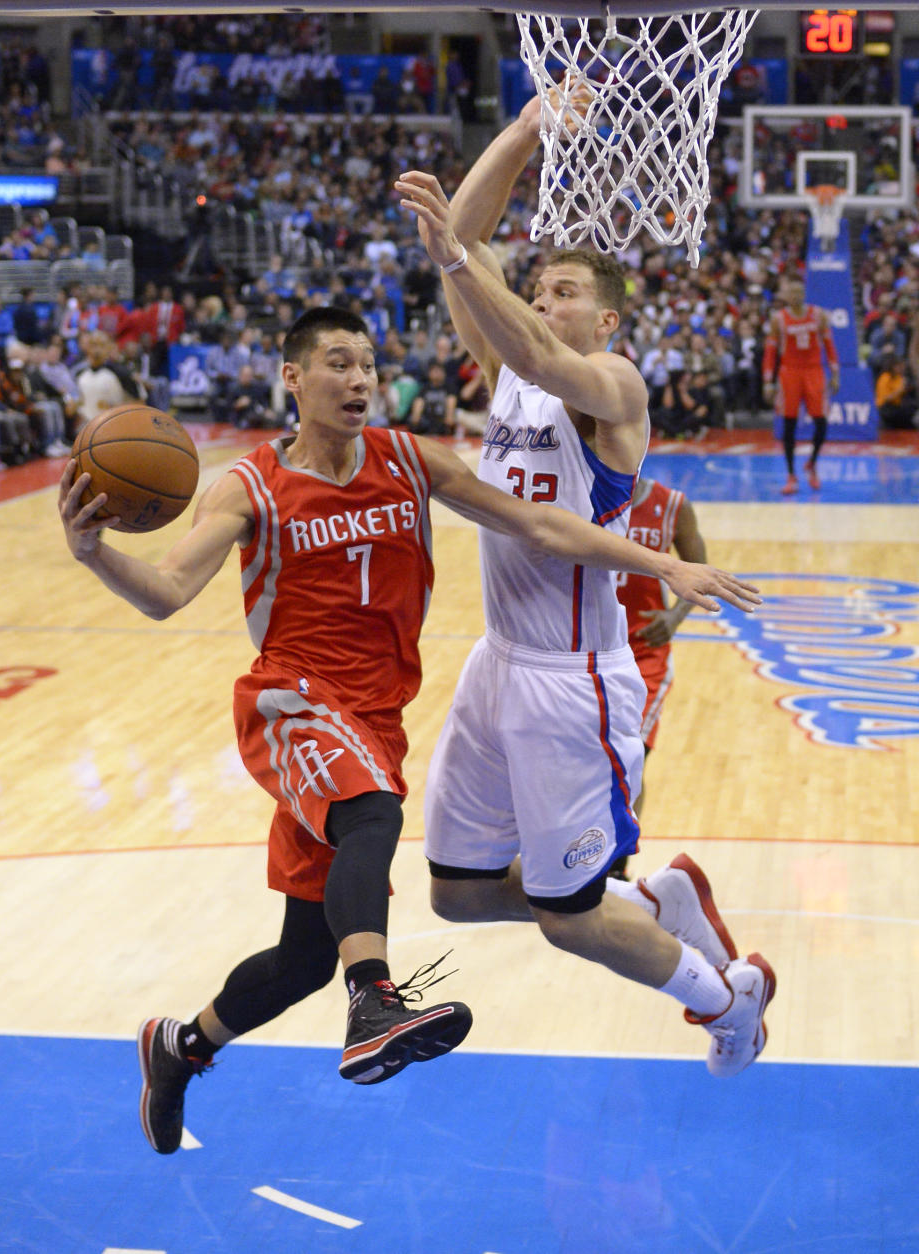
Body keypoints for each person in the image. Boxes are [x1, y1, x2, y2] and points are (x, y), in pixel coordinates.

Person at [58, 305, 760, 1154]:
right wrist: (94, 552)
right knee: (373, 815)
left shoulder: (410, 459)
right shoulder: (249, 487)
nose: (359, 380)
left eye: (368, 365)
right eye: (337, 365)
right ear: (292, 378)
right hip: (295, 704)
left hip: (374, 714)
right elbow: (168, 590)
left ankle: (181, 1047)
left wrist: (662, 563)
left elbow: (538, 523)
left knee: (303, 956)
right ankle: (375, 1001)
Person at [394, 92, 775, 1084]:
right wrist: (523, 132)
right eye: (541, 283)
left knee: (566, 920)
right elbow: (465, 244)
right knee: (459, 891)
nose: (545, 296)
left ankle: (727, 996)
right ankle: (655, 907)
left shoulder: (615, 384)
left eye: (564, 289)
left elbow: (524, 331)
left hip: (578, 677)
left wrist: (458, 256)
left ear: (603, 317)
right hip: (498, 663)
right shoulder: (508, 372)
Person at [609, 476, 708, 879]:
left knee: (631, 759)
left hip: (644, 652)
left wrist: (676, 615)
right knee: (588, 763)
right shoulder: (581, 493)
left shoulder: (673, 506)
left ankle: (617, 868)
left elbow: (697, 570)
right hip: (587, 650)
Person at [762, 275, 839, 495]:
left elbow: (830, 346)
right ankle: (791, 475)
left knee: (821, 423)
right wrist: (768, 381)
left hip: (814, 371)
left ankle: (812, 463)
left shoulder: (819, 315)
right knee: (789, 425)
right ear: (786, 296)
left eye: (798, 292)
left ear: (804, 294)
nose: (794, 296)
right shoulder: (779, 319)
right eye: (790, 293)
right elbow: (770, 353)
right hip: (790, 373)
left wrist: (835, 373)